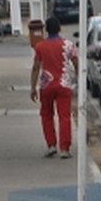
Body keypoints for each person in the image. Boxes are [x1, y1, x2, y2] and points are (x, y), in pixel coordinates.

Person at [29, 16, 79, 158]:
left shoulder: (40, 47)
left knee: (46, 115)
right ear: (59, 29)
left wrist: (33, 87)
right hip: (64, 84)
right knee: (64, 116)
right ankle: (65, 148)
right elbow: (76, 63)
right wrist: (78, 80)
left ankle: (51, 145)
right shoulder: (68, 45)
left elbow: (36, 67)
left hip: (46, 85)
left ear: (46, 30)